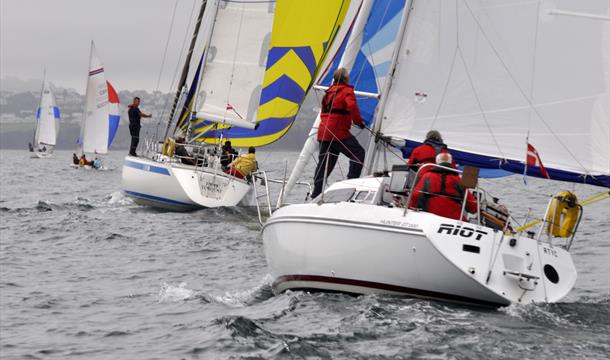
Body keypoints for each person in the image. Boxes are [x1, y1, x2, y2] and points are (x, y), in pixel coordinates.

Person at [311, 68, 366, 198]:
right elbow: (352, 106)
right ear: (346, 79)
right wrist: (358, 122)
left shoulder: (328, 93)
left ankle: (316, 193)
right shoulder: (347, 91)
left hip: (324, 133)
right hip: (338, 133)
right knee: (359, 153)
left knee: (324, 164)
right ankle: (349, 185)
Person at [408, 153, 477, 221]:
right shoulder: (458, 179)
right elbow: (471, 204)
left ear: (437, 162)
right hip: (453, 219)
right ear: (451, 162)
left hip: (429, 216)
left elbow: (415, 195)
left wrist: (411, 208)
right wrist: (475, 209)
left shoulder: (427, 175)